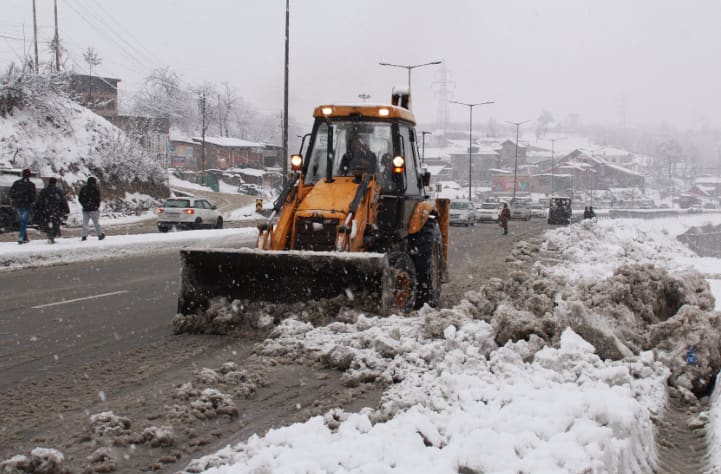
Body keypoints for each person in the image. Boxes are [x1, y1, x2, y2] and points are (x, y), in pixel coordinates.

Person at [34, 177, 69, 244]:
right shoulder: (58, 191)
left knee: (47, 222)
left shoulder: (44, 191)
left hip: (46, 210)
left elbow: (39, 200)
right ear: (55, 183)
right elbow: (63, 201)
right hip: (56, 210)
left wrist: (37, 208)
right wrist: (66, 209)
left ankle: (49, 234)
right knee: (56, 223)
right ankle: (53, 235)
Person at [9, 168, 36, 244]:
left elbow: (11, 193)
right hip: (26, 206)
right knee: (23, 222)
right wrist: (31, 202)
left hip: (18, 205)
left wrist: (15, 200)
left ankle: (25, 237)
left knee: (22, 221)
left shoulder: (16, 183)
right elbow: (33, 197)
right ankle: (21, 238)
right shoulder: (31, 185)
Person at [79, 176, 105, 241]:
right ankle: (100, 235)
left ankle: (84, 236)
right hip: (93, 209)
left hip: (85, 209)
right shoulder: (95, 189)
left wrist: (84, 205)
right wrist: (96, 206)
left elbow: (80, 198)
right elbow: (98, 199)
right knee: (96, 223)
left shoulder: (83, 189)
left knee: (85, 223)